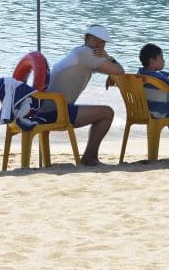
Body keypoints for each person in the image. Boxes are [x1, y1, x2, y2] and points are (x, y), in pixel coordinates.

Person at [47, 24, 125, 166]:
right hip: (55, 111)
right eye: (96, 40)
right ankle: (89, 158)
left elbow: (113, 71)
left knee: (105, 112)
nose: (99, 45)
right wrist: (109, 57)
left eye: (102, 42)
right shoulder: (86, 53)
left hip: (48, 108)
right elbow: (120, 71)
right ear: (87, 38)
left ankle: (89, 158)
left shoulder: (79, 52)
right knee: (107, 113)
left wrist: (110, 70)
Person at [137, 43, 169, 152]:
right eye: (161, 57)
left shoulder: (139, 75)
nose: (164, 60)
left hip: (143, 112)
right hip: (159, 112)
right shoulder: (160, 79)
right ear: (152, 61)